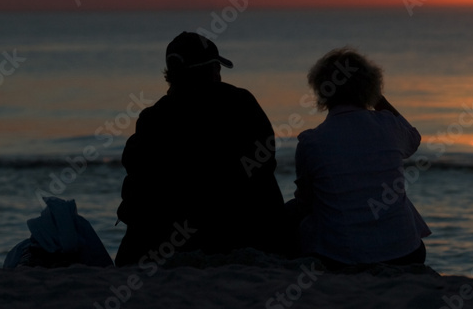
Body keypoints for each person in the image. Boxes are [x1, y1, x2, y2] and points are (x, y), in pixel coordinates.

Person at [114, 32, 285, 266]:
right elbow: (266, 162)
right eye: (217, 68)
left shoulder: (153, 118)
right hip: (242, 235)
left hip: (167, 242)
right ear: (212, 70)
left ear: (171, 76)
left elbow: (137, 172)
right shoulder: (241, 103)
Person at [292, 47, 431, 266]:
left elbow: (306, 201)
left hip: (343, 257)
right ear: (371, 87)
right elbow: (412, 139)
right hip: (406, 253)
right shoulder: (388, 126)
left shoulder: (311, 142)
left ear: (321, 89)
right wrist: (377, 98)